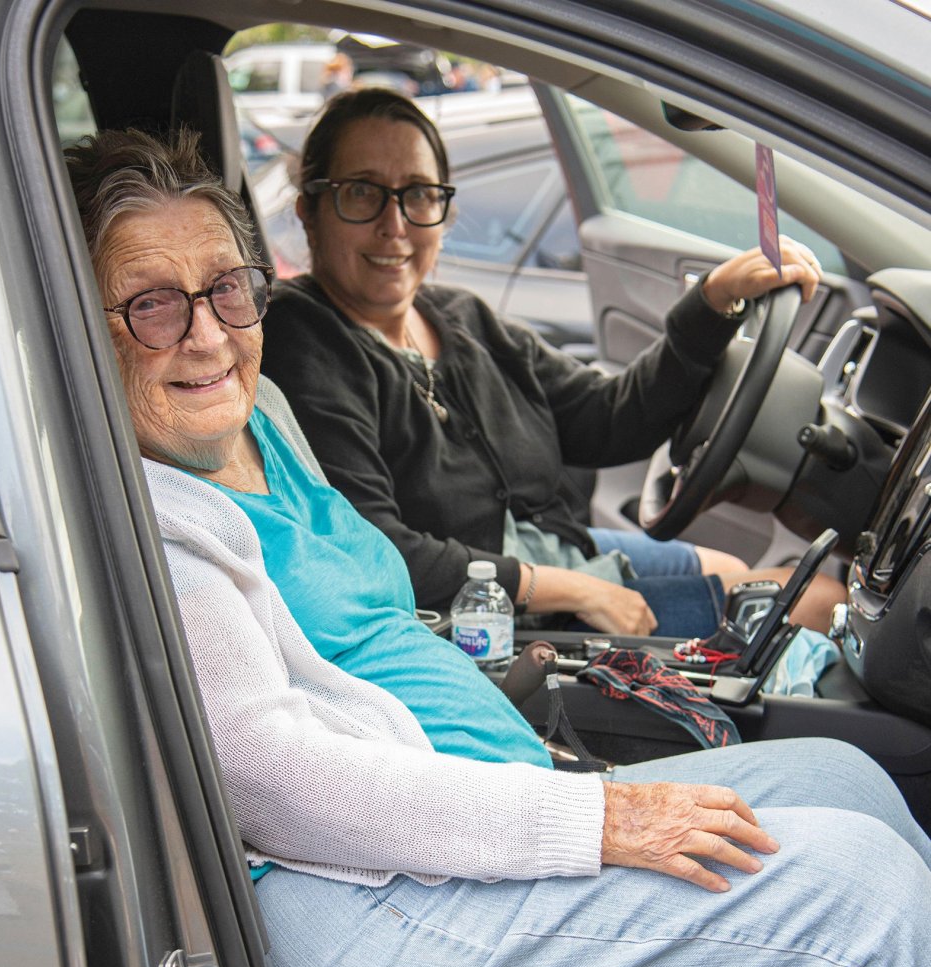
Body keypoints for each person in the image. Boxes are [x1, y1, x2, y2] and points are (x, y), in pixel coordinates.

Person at [64, 127, 931, 967]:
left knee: (846, 776)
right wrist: (591, 814)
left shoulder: (270, 411)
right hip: (372, 887)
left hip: (480, 795)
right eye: (151, 304)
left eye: (225, 288)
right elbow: (278, 783)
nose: (208, 336)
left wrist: (706, 311)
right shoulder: (161, 519)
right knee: (868, 893)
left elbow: (603, 417)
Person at [261, 88, 845, 638]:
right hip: (495, 622)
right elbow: (374, 549)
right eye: (362, 192)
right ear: (310, 210)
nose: (395, 226)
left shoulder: (461, 317)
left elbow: (608, 419)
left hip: (560, 555)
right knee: (820, 602)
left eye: (419, 194)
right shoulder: (302, 341)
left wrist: (713, 304)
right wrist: (566, 589)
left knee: (734, 565)